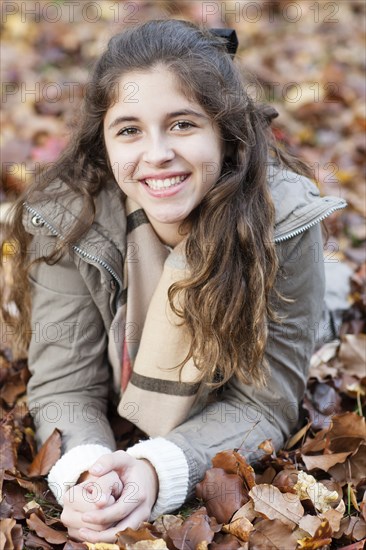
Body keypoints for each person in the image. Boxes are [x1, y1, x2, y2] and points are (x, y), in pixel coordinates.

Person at [5, 19, 346, 543]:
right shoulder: (69, 221)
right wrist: (88, 473)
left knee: (331, 302)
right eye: (129, 130)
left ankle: (336, 279)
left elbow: (263, 403)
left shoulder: (283, 227)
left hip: (296, 305)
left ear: (225, 132)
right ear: (104, 141)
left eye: (183, 124)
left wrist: (153, 471)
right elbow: (65, 384)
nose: (157, 152)